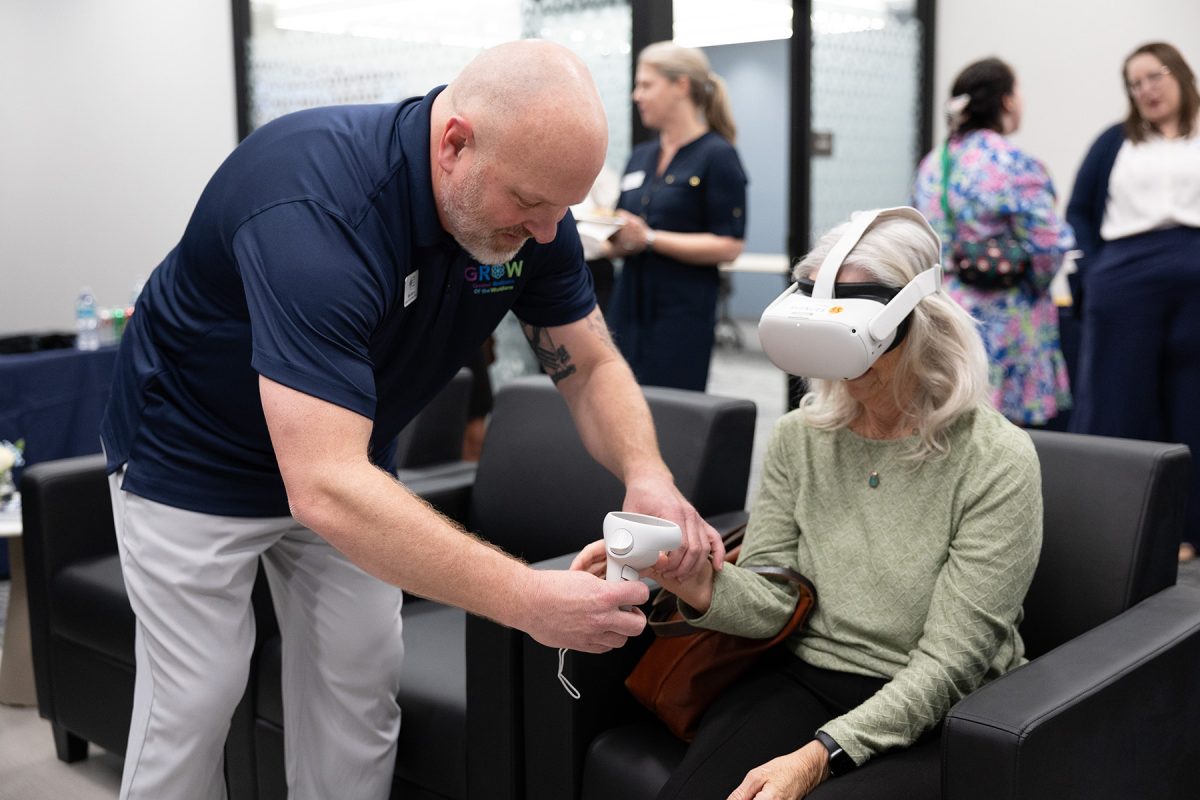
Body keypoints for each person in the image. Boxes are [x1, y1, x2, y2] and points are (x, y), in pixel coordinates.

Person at [100, 40, 722, 800]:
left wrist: (646, 473)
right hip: (192, 452)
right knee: (195, 694)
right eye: (527, 206)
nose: (543, 233)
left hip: (347, 455)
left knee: (360, 681)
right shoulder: (316, 210)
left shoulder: (537, 215)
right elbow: (322, 487)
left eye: (560, 212)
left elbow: (589, 365)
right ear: (454, 142)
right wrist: (527, 600)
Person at [574, 208, 1043, 799]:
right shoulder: (803, 436)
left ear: (917, 324)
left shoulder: (995, 458)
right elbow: (775, 599)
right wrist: (694, 581)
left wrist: (820, 754)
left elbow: (951, 663)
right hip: (803, 675)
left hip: (938, 702)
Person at [1066, 41, 1200, 563]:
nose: (1145, 89)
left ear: (1180, 75)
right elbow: (1079, 212)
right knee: (1116, 402)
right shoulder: (1114, 142)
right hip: (1124, 282)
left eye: (1153, 76)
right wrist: (1092, 272)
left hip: (1195, 285)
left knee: (1191, 404)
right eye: (1134, 82)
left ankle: (1187, 532)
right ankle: (1108, 528)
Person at [912, 57, 1075, 428]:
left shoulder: (934, 164)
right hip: (1006, 317)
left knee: (954, 423)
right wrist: (1033, 285)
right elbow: (1050, 244)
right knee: (1009, 434)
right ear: (1006, 101)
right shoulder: (1012, 162)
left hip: (946, 312)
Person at [604, 41, 748, 391]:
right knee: (620, 397)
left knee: (671, 409)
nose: (636, 96)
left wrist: (650, 239)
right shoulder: (641, 156)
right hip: (628, 303)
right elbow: (628, 229)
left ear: (681, 86)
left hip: (681, 311)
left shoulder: (718, 155)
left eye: (646, 85)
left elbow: (729, 245)